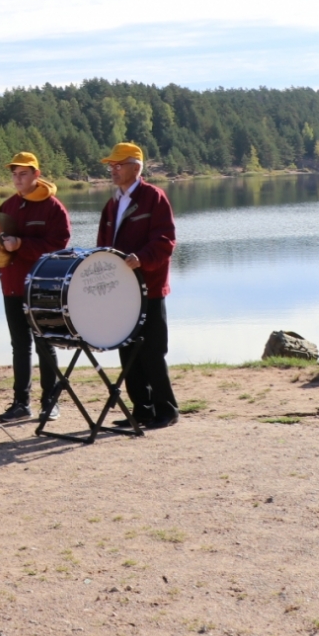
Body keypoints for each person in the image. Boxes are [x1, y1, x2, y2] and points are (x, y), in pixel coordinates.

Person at [96, 142, 180, 430]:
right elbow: (103, 247)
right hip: (121, 291)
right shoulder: (112, 203)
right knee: (128, 351)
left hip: (150, 290)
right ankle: (141, 411)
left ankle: (166, 411)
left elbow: (165, 241)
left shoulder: (153, 197)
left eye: (118, 165)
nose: (113, 170)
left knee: (153, 352)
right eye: (111, 165)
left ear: (136, 167)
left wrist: (141, 259)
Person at [0, 152, 72, 423]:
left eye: (23, 174)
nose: (17, 179)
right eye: (14, 174)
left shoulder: (53, 207)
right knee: (19, 346)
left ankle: (50, 402)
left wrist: (22, 245)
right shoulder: (6, 206)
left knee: (45, 343)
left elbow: (59, 247)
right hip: (12, 286)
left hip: (41, 287)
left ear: (36, 175)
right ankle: (20, 403)